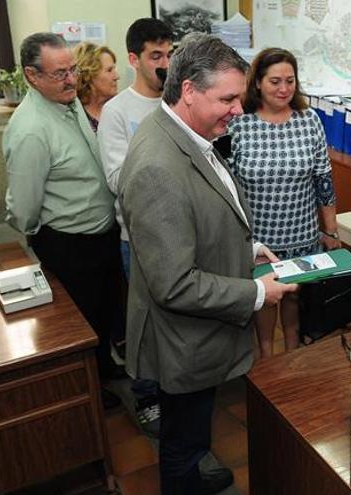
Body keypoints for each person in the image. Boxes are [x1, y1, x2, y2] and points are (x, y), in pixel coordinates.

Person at [118, 33, 296, 494]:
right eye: (229, 98)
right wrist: (259, 292)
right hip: (183, 339)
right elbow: (174, 284)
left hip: (197, 335)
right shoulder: (158, 165)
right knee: (181, 435)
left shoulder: (184, 131)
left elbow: (197, 218)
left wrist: (247, 249)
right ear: (190, 91)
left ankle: (198, 465)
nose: (238, 109)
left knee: (195, 425)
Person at [3, 32, 124, 409]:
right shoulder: (30, 129)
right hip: (69, 243)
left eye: (72, 69)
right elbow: (24, 206)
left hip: (101, 234)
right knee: (80, 323)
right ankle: (89, 391)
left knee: (105, 311)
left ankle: (104, 368)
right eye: (59, 74)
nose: (71, 79)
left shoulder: (68, 105)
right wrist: (41, 236)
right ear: (31, 76)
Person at [227, 48, 340, 359]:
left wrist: (331, 231)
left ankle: (293, 360)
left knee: (294, 301)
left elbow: (324, 180)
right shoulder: (239, 124)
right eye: (275, 81)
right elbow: (227, 184)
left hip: (302, 234)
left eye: (290, 81)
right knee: (265, 299)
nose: (283, 89)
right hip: (259, 239)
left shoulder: (309, 120)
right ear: (258, 83)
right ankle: (265, 361)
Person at [97, 16, 174, 437]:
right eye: (156, 55)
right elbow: (117, 178)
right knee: (144, 322)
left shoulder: (178, 101)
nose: (165, 63)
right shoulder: (117, 112)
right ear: (134, 59)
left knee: (179, 317)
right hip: (139, 237)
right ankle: (147, 397)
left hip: (182, 233)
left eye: (170, 53)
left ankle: (178, 387)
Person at [72, 42, 119, 132]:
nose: (117, 76)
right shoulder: (72, 116)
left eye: (114, 69)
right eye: (109, 70)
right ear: (88, 75)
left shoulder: (120, 110)